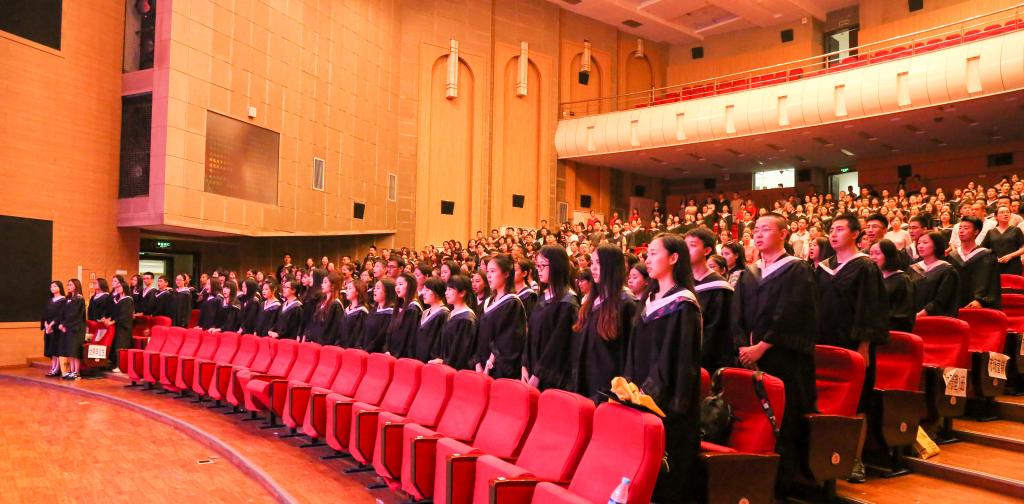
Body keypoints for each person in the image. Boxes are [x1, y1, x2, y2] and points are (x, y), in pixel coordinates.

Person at [732, 213, 818, 492]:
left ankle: (784, 481)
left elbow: (792, 313)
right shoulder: (749, 272)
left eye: (766, 229)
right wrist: (743, 346)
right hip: (749, 357)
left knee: (784, 417)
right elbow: (737, 314)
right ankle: (754, 477)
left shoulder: (797, 270)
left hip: (784, 358)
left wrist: (762, 346)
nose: (758, 234)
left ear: (783, 234)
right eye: (756, 229)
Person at [625, 233, 702, 503]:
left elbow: (679, 358)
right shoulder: (649, 299)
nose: (647, 259)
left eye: (654, 253)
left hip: (667, 402)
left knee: (666, 477)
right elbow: (634, 350)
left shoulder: (683, 304)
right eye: (647, 254)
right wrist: (630, 387)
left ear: (674, 258)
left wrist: (651, 392)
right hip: (641, 396)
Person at [816, 214, 890, 483]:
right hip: (824, 345)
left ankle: (855, 459)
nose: (833, 234)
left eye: (840, 229)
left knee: (858, 402)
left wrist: (864, 346)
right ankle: (823, 457)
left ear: (856, 234)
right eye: (831, 229)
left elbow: (871, 309)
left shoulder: (866, 267)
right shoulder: (823, 268)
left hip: (854, 347)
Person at [572, 244, 637, 402]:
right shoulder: (592, 300)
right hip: (586, 381)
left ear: (612, 266)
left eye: (599, 263)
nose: (593, 268)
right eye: (592, 263)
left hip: (608, 390)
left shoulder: (626, 303)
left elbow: (628, 354)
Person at [522, 245, 579, 391]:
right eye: (537, 266)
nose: (539, 270)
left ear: (557, 266)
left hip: (551, 378)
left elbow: (557, 345)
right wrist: (524, 365)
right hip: (532, 371)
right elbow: (531, 334)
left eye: (543, 265)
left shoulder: (568, 303)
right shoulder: (543, 297)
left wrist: (539, 374)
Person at [685, 228, 735, 372]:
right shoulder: (680, 282)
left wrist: (693, 356)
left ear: (707, 250)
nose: (686, 250)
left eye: (692, 245)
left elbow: (718, 331)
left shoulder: (719, 287)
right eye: (684, 245)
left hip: (707, 360)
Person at [474, 254, 527, 379]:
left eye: (493, 271)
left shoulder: (512, 303)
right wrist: (477, 362)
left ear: (506, 274)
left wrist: (489, 364)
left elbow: (507, 339)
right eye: (487, 271)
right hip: (481, 365)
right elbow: (479, 334)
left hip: (497, 368)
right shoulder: (488, 302)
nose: (488, 275)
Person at [950, 216, 1001, 309]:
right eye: (960, 228)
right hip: (955, 306)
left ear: (976, 232)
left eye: (966, 228)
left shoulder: (987, 256)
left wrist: (980, 300)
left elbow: (992, 284)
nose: (961, 231)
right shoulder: (952, 256)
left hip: (979, 306)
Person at [910, 231, 961, 318]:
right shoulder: (913, 268)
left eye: (925, 242)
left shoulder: (947, 270)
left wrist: (923, 313)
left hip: (937, 319)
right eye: (918, 243)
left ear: (936, 245)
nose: (920, 246)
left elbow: (943, 298)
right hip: (914, 317)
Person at [871, 239, 916, 332]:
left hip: (891, 332)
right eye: (871, 254)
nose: (873, 257)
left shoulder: (902, 280)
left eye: (877, 253)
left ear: (889, 255)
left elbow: (903, 315)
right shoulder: (873, 278)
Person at [436, 274, 478, 370]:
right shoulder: (452, 314)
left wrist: (444, 362)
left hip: (456, 370)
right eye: (446, 289)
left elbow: (461, 353)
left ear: (462, 293)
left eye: (450, 289)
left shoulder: (466, 319)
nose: (446, 293)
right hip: (444, 367)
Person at [386, 272, 422, 357]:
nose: (397, 287)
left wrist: (396, 355)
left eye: (400, 284)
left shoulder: (413, 309)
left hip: (402, 356)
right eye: (396, 285)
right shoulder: (400, 307)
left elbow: (408, 337)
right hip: (392, 354)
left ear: (410, 286)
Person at [414, 277, 449, 362]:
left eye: (427, 290)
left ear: (437, 292)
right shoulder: (425, 312)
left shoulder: (444, 314)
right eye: (424, 290)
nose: (423, 293)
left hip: (431, 361)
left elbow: (440, 342)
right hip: (418, 359)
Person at [982, 206, 1024, 276]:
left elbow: (1023, 248)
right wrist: (993, 257)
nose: (1005, 214)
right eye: (1002, 212)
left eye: (1008, 212)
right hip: (995, 265)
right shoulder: (991, 232)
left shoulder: (1016, 230)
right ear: (996, 216)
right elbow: (983, 248)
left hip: (1013, 265)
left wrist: (1010, 256)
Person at [58, 278, 87, 380]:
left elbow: (75, 315)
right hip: (68, 327)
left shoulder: (79, 299)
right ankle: (71, 370)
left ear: (76, 286)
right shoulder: (68, 299)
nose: (68, 286)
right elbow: (63, 313)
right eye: (68, 284)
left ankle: (76, 372)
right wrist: (62, 323)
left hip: (76, 328)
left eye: (70, 284)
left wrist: (65, 324)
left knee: (75, 350)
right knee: (69, 350)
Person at [305, 273, 343, 345]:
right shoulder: (321, 302)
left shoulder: (336, 305)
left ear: (333, 285)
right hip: (315, 342)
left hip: (325, 344)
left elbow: (334, 329)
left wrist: (321, 341)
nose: (322, 285)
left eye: (325, 282)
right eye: (322, 282)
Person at [109, 275, 135, 372]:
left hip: (124, 327)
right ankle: (115, 364)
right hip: (117, 325)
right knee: (116, 345)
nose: (117, 288)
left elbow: (125, 315)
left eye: (119, 286)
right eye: (117, 286)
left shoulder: (128, 300)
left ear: (124, 288)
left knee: (121, 345)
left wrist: (113, 321)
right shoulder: (118, 299)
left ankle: (121, 366)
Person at [363, 279, 397, 352]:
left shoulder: (391, 313)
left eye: (378, 288)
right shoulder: (373, 310)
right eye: (374, 288)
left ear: (388, 291)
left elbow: (381, 336)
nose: (374, 290)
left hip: (377, 352)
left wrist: (368, 350)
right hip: (366, 350)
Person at [42, 281, 66, 377]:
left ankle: (57, 369)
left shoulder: (63, 300)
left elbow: (61, 314)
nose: (52, 288)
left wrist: (52, 324)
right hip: (48, 328)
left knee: (56, 348)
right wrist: (45, 324)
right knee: (50, 349)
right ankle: (53, 367)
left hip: (56, 328)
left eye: (55, 286)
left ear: (60, 287)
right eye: (51, 286)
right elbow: (45, 313)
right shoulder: (50, 300)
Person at [337, 279, 369, 348]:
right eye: (347, 288)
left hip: (352, 349)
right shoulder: (346, 310)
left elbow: (359, 335)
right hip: (341, 347)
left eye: (350, 288)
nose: (347, 291)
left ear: (357, 291)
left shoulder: (362, 312)